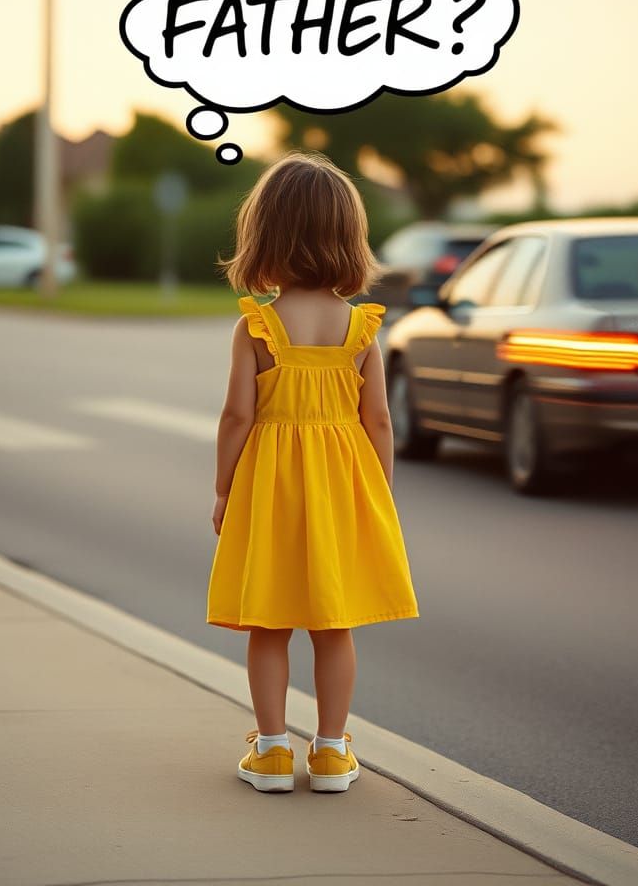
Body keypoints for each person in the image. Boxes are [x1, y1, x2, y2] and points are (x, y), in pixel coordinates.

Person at [206, 152, 419, 794]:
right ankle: (330, 752)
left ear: (263, 235)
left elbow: (236, 415)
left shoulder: (258, 328)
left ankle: (271, 751)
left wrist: (223, 488)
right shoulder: (361, 330)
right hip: (339, 492)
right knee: (334, 623)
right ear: (348, 241)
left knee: (268, 621)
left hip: (269, 491)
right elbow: (379, 422)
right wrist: (375, 495)